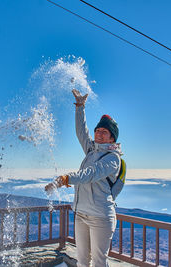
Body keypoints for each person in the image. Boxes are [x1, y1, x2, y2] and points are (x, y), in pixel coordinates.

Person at [45, 89, 123, 267]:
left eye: (104, 132)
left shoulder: (113, 159)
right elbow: (81, 131)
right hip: (80, 214)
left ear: (112, 138)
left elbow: (90, 174)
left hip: (100, 217)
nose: (99, 133)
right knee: (82, 261)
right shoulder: (91, 150)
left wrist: (65, 179)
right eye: (98, 130)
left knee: (98, 262)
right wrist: (80, 107)